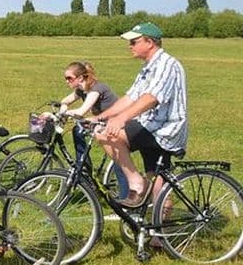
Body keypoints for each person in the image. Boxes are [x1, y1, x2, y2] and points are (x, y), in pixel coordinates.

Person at [94, 22, 188, 209]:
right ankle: (157, 235)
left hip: (165, 128)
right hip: (150, 124)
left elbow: (151, 98)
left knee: (105, 134)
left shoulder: (166, 64)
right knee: (159, 183)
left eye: (134, 41)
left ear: (150, 42)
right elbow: (130, 97)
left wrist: (121, 119)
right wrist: (100, 117)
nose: (130, 46)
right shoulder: (149, 66)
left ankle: (138, 184)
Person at [58, 61, 127, 198]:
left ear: (81, 78)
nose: (67, 81)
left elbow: (81, 112)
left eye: (69, 78)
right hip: (103, 122)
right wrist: (63, 108)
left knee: (119, 161)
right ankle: (84, 168)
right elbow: (65, 101)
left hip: (118, 124)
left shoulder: (96, 89)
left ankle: (125, 199)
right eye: (65, 78)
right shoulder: (81, 90)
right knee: (77, 130)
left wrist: (63, 114)